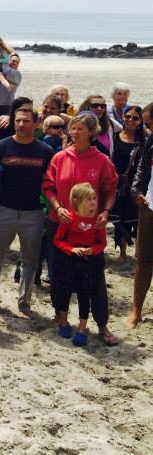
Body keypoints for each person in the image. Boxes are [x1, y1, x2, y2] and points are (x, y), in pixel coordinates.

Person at [42, 113, 118, 344]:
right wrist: (57, 208)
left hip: (89, 228)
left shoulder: (102, 160)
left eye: (80, 129)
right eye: (72, 128)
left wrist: (105, 212)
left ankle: (102, 326)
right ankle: (61, 318)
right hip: (62, 224)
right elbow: (48, 186)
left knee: (94, 280)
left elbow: (111, 189)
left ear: (91, 132)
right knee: (60, 276)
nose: (75, 133)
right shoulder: (60, 157)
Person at [0, 104, 55, 317]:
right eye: (18, 121)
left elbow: (49, 182)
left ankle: (24, 302)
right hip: (4, 210)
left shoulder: (45, 151)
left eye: (26, 121)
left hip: (33, 213)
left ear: (36, 123)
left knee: (30, 262)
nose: (21, 124)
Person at [52, 183, 113, 347]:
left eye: (95, 198)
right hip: (69, 260)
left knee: (84, 294)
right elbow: (58, 239)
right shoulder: (69, 219)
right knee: (64, 291)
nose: (93, 202)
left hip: (88, 263)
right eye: (89, 199)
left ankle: (82, 328)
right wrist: (71, 249)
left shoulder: (97, 221)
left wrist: (93, 250)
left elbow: (102, 243)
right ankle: (63, 322)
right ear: (77, 201)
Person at [128, 106, 153, 328]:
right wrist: (136, 191)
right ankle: (136, 310)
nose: (148, 129)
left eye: (150, 124)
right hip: (149, 207)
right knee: (144, 261)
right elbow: (142, 169)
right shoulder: (151, 140)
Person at [112, 105, 144, 259]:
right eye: (127, 116)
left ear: (140, 121)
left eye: (135, 118)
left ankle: (139, 252)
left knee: (137, 219)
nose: (130, 120)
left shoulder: (143, 140)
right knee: (120, 217)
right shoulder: (115, 137)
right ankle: (123, 252)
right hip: (118, 184)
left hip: (136, 184)